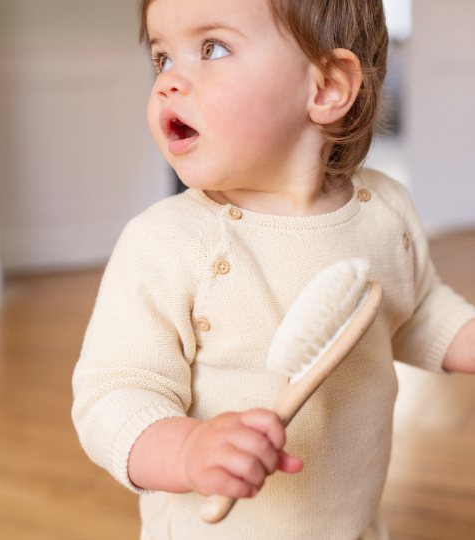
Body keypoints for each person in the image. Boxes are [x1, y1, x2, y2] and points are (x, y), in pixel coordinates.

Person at [71, 0, 475, 538]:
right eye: (163, 57)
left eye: (212, 48)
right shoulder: (165, 243)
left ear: (326, 87)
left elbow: (416, 309)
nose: (168, 82)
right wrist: (187, 448)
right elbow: (113, 394)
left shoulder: (383, 209)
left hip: (350, 522)